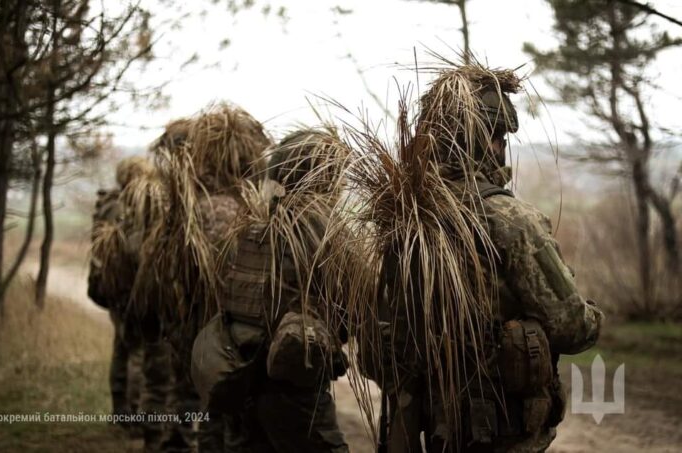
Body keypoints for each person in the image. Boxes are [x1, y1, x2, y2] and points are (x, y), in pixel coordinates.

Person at [352, 63, 604, 452]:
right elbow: (572, 327)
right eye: (498, 135)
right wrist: (592, 318)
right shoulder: (509, 219)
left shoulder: (400, 221)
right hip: (499, 433)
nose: (502, 147)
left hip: (431, 432)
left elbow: (377, 348)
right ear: (477, 139)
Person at [193, 129, 351, 453]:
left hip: (242, 378)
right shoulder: (326, 236)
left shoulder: (247, 232)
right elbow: (349, 317)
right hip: (295, 392)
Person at [136, 104, 272, 452]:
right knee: (225, 413)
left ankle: (174, 442)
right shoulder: (248, 210)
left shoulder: (186, 207)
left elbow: (160, 273)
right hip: (230, 332)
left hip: (190, 325)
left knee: (197, 400)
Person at [87, 157, 150, 433]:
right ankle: (132, 416)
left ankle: (120, 410)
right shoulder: (123, 208)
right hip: (126, 290)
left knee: (122, 348)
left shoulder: (108, 204)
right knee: (136, 351)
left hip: (114, 289)